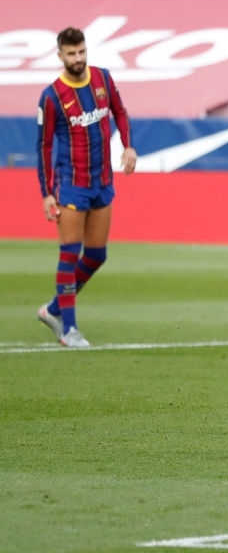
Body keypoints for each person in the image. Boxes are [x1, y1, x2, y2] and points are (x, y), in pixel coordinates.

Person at [35, 26, 138, 348]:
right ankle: (69, 329)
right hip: (71, 186)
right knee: (70, 254)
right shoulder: (52, 97)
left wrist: (128, 146)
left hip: (102, 181)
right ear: (60, 56)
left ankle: (52, 309)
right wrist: (47, 193)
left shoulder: (102, 79)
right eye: (71, 54)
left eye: (81, 52)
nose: (78, 59)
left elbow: (119, 112)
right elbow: (43, 147)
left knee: (96, 255)